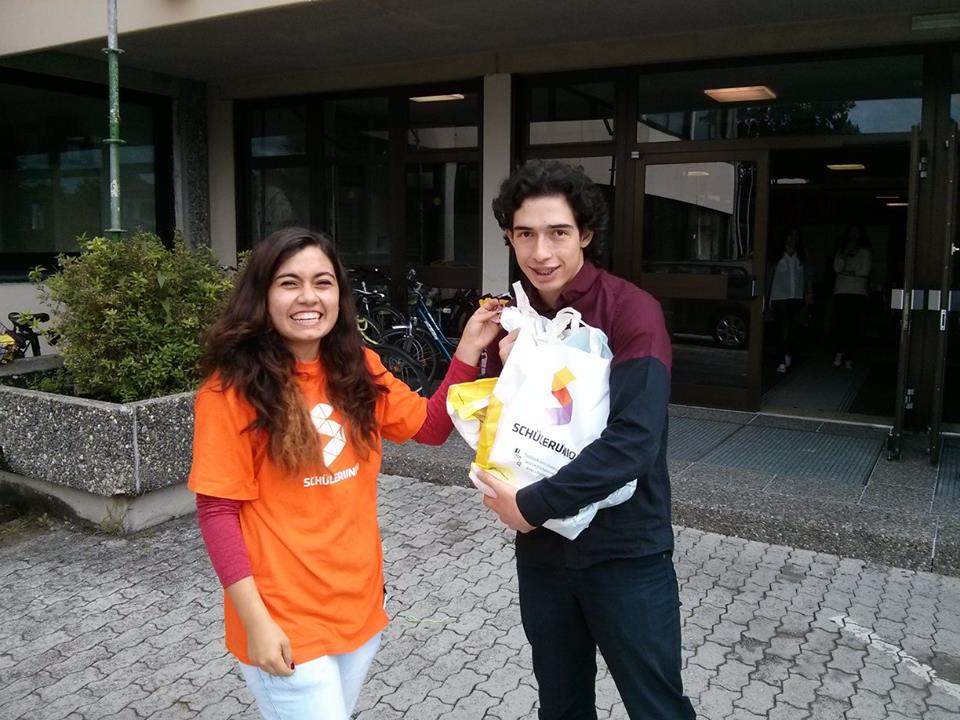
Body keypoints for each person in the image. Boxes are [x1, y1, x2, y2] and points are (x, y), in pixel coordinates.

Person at [188, 227, 503, 720]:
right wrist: (256, 624)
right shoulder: (230, 391)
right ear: (262, 295)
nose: (308, 297)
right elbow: (217, 511)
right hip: (284, 617)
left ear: (339, 294)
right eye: (289, 283)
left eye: (323, 282)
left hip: (358, 606)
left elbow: (429, 427)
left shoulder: (357, 366)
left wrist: (466, 351)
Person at [476, 160, 697, 719]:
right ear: (509, 238)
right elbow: (498, 422)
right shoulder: (519, 317)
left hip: (626, 552)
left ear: (586, 235)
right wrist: (495, 364)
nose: (540, 252)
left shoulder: (631, 312)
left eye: (558, 232)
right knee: (562, 702)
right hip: (544, 553)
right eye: (525, 234)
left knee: (656, 707)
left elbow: (635, 440)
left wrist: (531, 505)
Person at [768, 226, 812, 373]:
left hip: (796, 296)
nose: (792, 239)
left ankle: (787, 353)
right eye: (790, 235)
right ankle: (781, 359)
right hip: (779, 296)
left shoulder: (801, 255)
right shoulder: (777, 255)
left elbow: (807, 275)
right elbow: (769, 276)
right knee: (784, 327)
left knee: (793, 327)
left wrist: (808, 293)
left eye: (795, 236)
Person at [832, 225, 872, 369]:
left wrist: (849, 273)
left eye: (857, 233)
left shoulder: (865, 253)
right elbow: (837, 268)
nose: (854, 236)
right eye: (851, 232)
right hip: (841, 291)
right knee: (840, 323)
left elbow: (865, 271)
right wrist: (845, 253)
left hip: (858, 292)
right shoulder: (841, 251)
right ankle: (839, 351)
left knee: (854, 325)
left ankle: (850, 355)